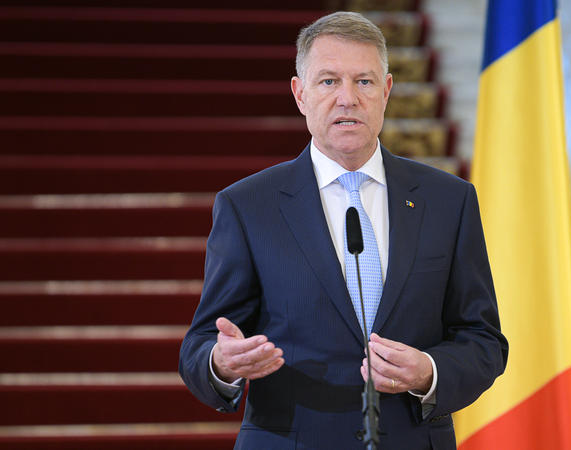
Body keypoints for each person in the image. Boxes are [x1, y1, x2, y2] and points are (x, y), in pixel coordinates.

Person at [179, 11, 507, 450]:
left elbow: (483, 339)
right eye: (329, 81)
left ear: (386, 91)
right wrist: (221, 362)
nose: (347, 98)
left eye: (363, 81)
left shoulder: (449, 200)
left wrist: (430, 371)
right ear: (300, 94)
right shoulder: (247, 206)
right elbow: (199, 346)